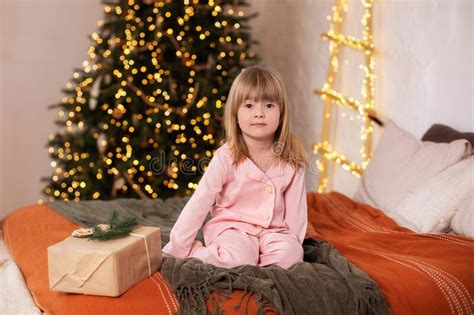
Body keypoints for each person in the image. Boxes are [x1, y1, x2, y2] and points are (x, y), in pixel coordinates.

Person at [162, 66, 308, 269]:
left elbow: (296, 213)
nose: (259, 113)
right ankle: (200, 253)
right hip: (233, 228)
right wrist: (178, 246)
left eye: (268, 105)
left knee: (290, 257)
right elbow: (200, 201)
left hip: (274, 231)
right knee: (236, 259)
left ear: (281, 113)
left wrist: (293, 244)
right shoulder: (226, 156)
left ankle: (262, 262)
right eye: (249, 106)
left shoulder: (292, 159)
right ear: (235, 115)